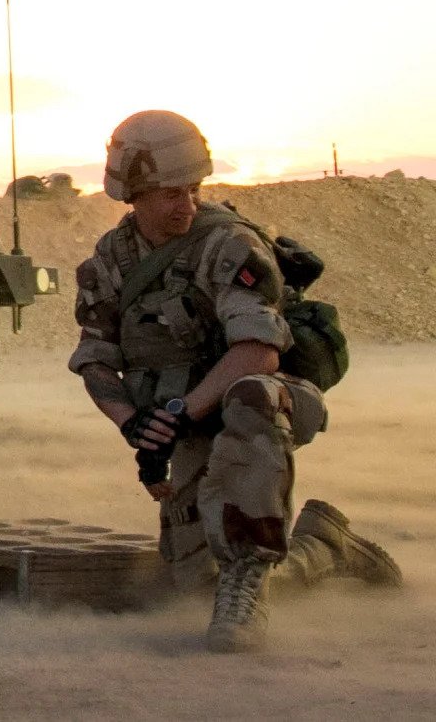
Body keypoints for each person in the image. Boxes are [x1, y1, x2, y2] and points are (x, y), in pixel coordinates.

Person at [69, 110, 402, 652]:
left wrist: (177, 416)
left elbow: (258, 352)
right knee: (197, 586)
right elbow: (95, 358)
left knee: (251, 397)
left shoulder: (228, 245)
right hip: (189, 424)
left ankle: (247, 577)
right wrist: (135, 426)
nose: (186, 204)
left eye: (193, 190)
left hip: (268, 401)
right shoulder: (109, 262)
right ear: (134, 194)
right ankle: (325, 547)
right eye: (170, 194)